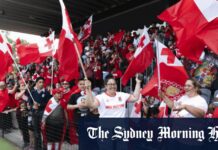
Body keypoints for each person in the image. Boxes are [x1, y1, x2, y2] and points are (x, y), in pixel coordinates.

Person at [28, 77, 51, 150]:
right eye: (40, 82)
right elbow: (30, 103)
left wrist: (39, 105)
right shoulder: (32, 92)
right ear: (36, 83)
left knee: (44, 132)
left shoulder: (47, 93)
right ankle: (37, 147)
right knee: (36, 132)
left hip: (43, 114)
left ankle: (45, 148)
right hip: (34, 114)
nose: (41, 84)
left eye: (42, 82)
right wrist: (33, 106)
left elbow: (48, 104)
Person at [15, 80, 30, 149]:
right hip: (18, 112)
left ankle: (26, 141)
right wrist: (24, 90)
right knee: (20, 126)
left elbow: (28, 101)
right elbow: (17, 97)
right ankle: (24, 138)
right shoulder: (17, 93)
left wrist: (26, 90)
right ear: (19, 88)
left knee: (25, 127)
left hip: (24, 112)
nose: (23, 86)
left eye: (24, 85)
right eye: (22, 86)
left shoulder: (27, 94)